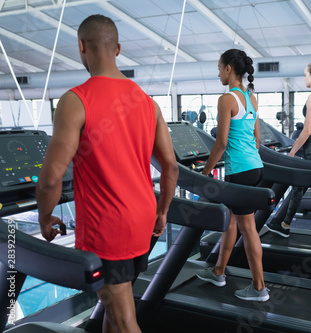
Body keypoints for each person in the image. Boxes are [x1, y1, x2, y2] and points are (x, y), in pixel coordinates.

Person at [36, 15, 178, 333]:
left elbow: (50, 178)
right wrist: (164, 210)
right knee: (113, 310)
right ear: (118, 49)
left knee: (126, 319)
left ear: (81, 47)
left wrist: (45, 218)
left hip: (108, 230)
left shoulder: (75, 101)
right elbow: (170, 166)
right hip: (143, 221)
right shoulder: (147, 102)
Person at [196, 49, 269, 302]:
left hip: (239, 172)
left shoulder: (226, 100)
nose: (218, 73)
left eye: (219, 68)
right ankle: (218, 271)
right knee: (231, 224)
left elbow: (221, 143)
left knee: (248, 229)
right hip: (256, 168)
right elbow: (257, 139)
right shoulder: (251, 98)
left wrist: (205, 173)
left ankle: (259, 288)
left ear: (229, 69)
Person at [265, 61, 311, 248]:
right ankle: (284, 224)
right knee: (299, 186)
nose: (304, 78)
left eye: (306, 74)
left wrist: (291, 152)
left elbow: (306, 131)